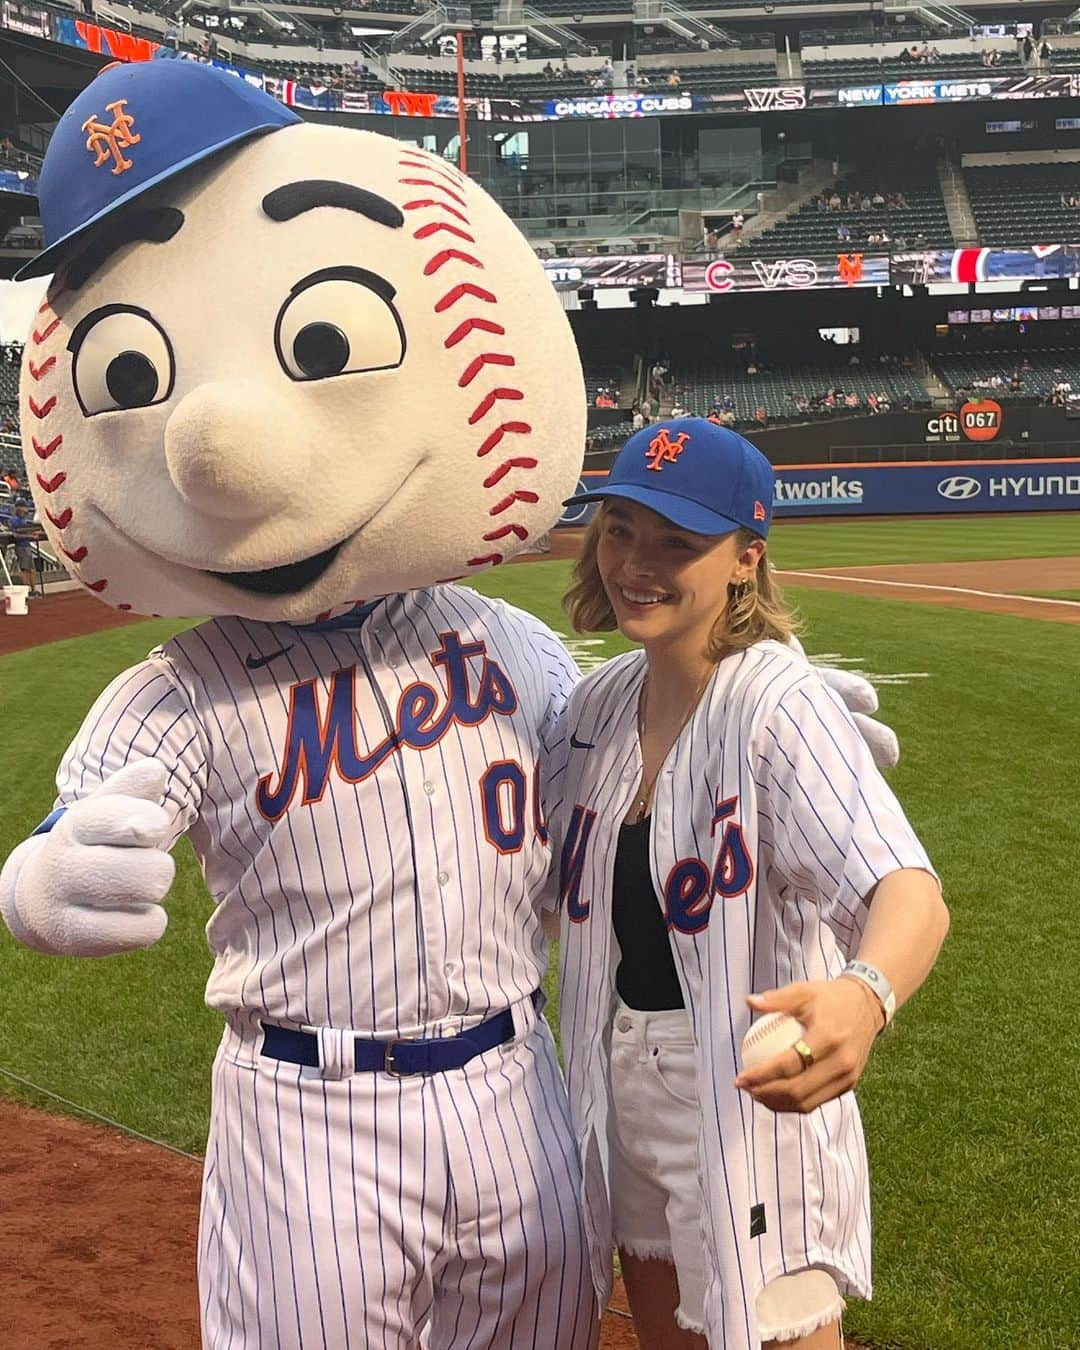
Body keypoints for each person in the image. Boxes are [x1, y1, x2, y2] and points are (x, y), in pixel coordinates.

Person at [550, 419, 949, 1350]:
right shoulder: (600, 705)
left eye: (678, 542)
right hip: (617, 1088)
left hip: (747, 1092)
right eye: (620, 528)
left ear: (745, 559)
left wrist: (867, 992)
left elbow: (910, 891)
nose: (636, 563)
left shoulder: (777, 702)